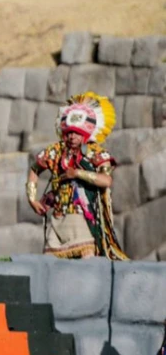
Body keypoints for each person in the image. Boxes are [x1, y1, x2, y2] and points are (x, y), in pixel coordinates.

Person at [25, 92, 127, 260]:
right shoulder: (56, 151)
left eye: (77, 132)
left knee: (86, 266)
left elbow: (106, 180)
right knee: (50, 264)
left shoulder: (95, 153)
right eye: (70, 132)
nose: (72, 136)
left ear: (85, 133)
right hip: (58, 219)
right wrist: (32, 199)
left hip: (83, 220)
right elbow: (35, 169)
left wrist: (78, 173)